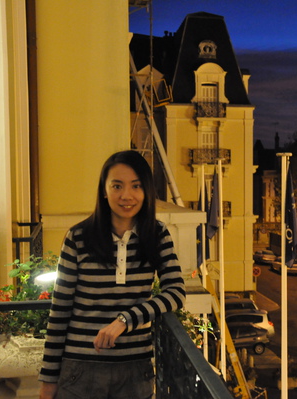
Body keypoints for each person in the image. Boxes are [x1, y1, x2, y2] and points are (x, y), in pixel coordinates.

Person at [38, 150, 186, 399]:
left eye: (136, 186)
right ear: (104, 191)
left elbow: (176, 293)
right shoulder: (78, 237)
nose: (126, 196)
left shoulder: (156, 234)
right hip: (80, 370)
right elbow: (60, 311)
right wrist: (48, 380)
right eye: (117, 186)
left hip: (134, 371)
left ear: (146, 191)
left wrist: (125, 320)